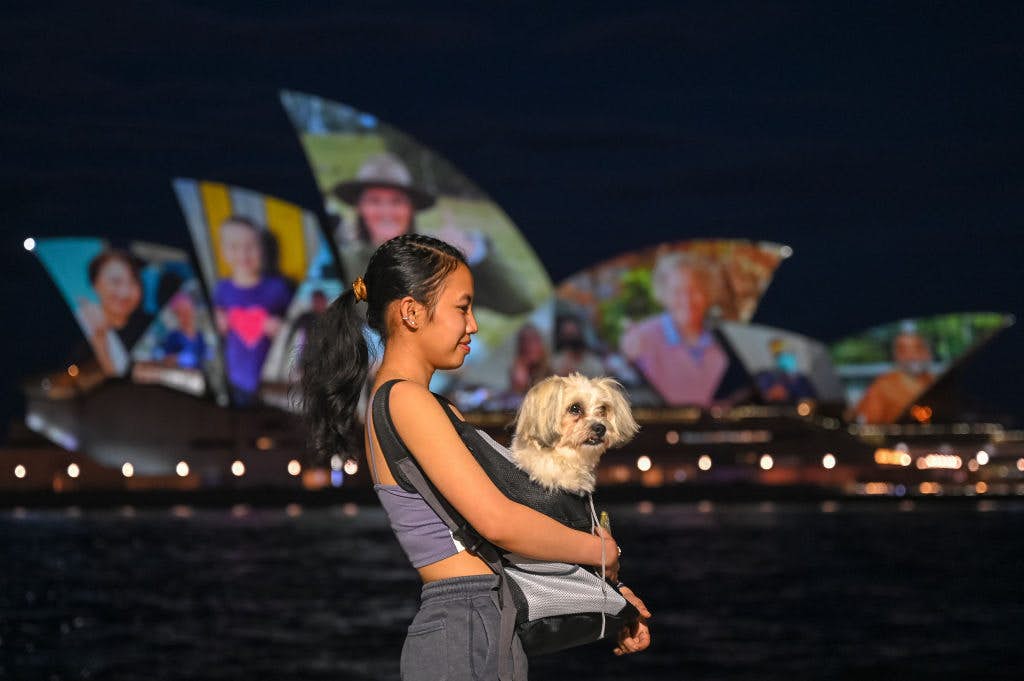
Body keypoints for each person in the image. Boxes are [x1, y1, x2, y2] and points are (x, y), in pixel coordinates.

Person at [301, 234, 650, 680]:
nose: (474, 325)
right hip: (462, 623)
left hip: (482, 619)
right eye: (463, 307)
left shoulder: (429, 405)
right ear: (411, 312)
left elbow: (511, 528)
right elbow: (500, 523)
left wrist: (616, 596)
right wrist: (603, 551)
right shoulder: (406, 401)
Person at [331, 153, 534, 316]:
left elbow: (518, 303)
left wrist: (475, 252)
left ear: (411, 208)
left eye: (397, 201)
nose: (386, 212)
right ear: (360, 208)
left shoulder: (437, 262)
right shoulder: (344, 261)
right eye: (374, 201)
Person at [620, 252, 729, 407]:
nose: (687, 300)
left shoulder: (723, 339)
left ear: (707, 293)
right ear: (663, 295)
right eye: (677, 292)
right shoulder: (642, 338)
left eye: (694, 290)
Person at [212, 216, 293, 406]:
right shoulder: (222, 289)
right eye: (234, 247)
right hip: (234, 380)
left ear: (262, 250)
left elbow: (296, 327)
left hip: (271, 380)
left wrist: (279, 329)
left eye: (251, 246)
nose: (243, 253)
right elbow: (213, 330)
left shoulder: (278, 288)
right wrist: (219, 325)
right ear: (224, 253)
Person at [78, 249, 154, 376]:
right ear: (95, 285)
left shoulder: (151, 326)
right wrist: (100, 341)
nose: (125, 292)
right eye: (116, 282)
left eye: (133, 282)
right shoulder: (84, 331)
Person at [855, 327, 934, 424]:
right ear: (895, 355)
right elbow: (868, 427)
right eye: (904, 351)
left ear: (928, 353)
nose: (912, 356)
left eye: (918, 349)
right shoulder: (882, 387)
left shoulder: (936, 381)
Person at [754, 337, 817, 403]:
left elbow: (812, 400)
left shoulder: (802, 380)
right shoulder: (767, 377)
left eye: (788, 353)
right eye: (779, 355)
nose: (785, 357)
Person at [508, 323, 551, 395]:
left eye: (534, 340)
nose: (529, 346)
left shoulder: (552, 369)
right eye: (524, 341)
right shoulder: (517, 369)